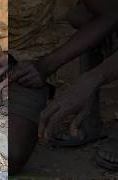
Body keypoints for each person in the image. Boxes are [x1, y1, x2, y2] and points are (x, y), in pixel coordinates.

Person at [10, 0, 118, 174]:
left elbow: (111, 12)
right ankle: (91, 122)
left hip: (24, 58)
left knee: (11, 155)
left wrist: (90, 80)